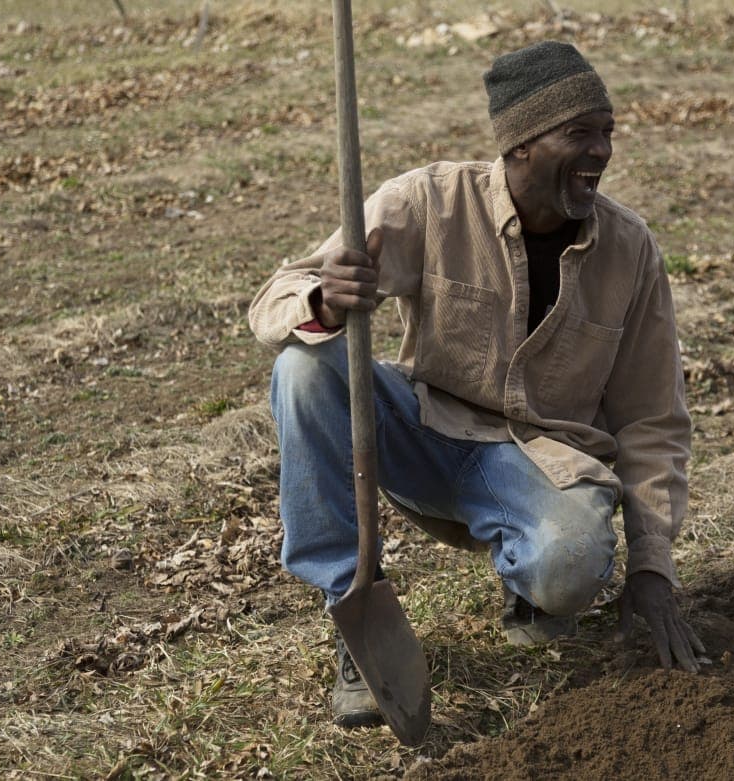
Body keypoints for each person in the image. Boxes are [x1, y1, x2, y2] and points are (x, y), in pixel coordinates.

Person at [249, 40, 704, 729]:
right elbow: (273, 301)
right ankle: (355, 608)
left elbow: (652, 420)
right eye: (580, 133)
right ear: (521, 144)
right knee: (304, 365)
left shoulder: (629, 250)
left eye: (607, 132)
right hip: (423, 432)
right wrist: (326, 299)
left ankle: (530, 586)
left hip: (538, 461)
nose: (602, 150)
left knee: (570, 565)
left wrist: (651, 566)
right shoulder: (428, 203)